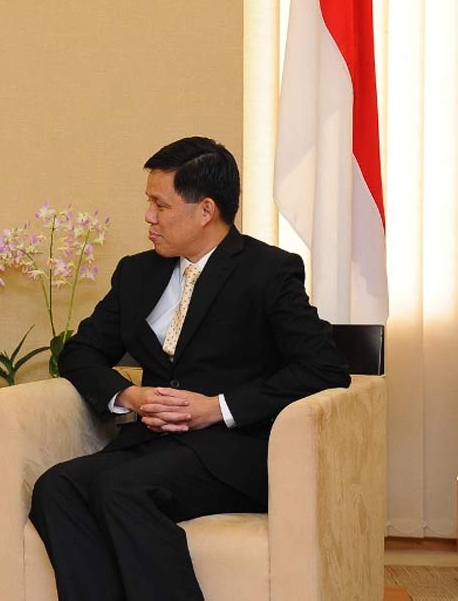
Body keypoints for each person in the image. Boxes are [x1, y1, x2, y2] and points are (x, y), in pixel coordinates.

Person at [28, 136, 350, 601]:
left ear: (206, 210)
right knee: (56, 487)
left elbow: (324, 368)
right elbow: (80, 353)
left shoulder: (268, 271)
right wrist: (129, 396)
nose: (149, 216)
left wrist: (216, 408)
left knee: (121, 489)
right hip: (152, 445)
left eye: (161, 205)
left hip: (232, 453)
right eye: (149, 202)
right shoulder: (137, 273)